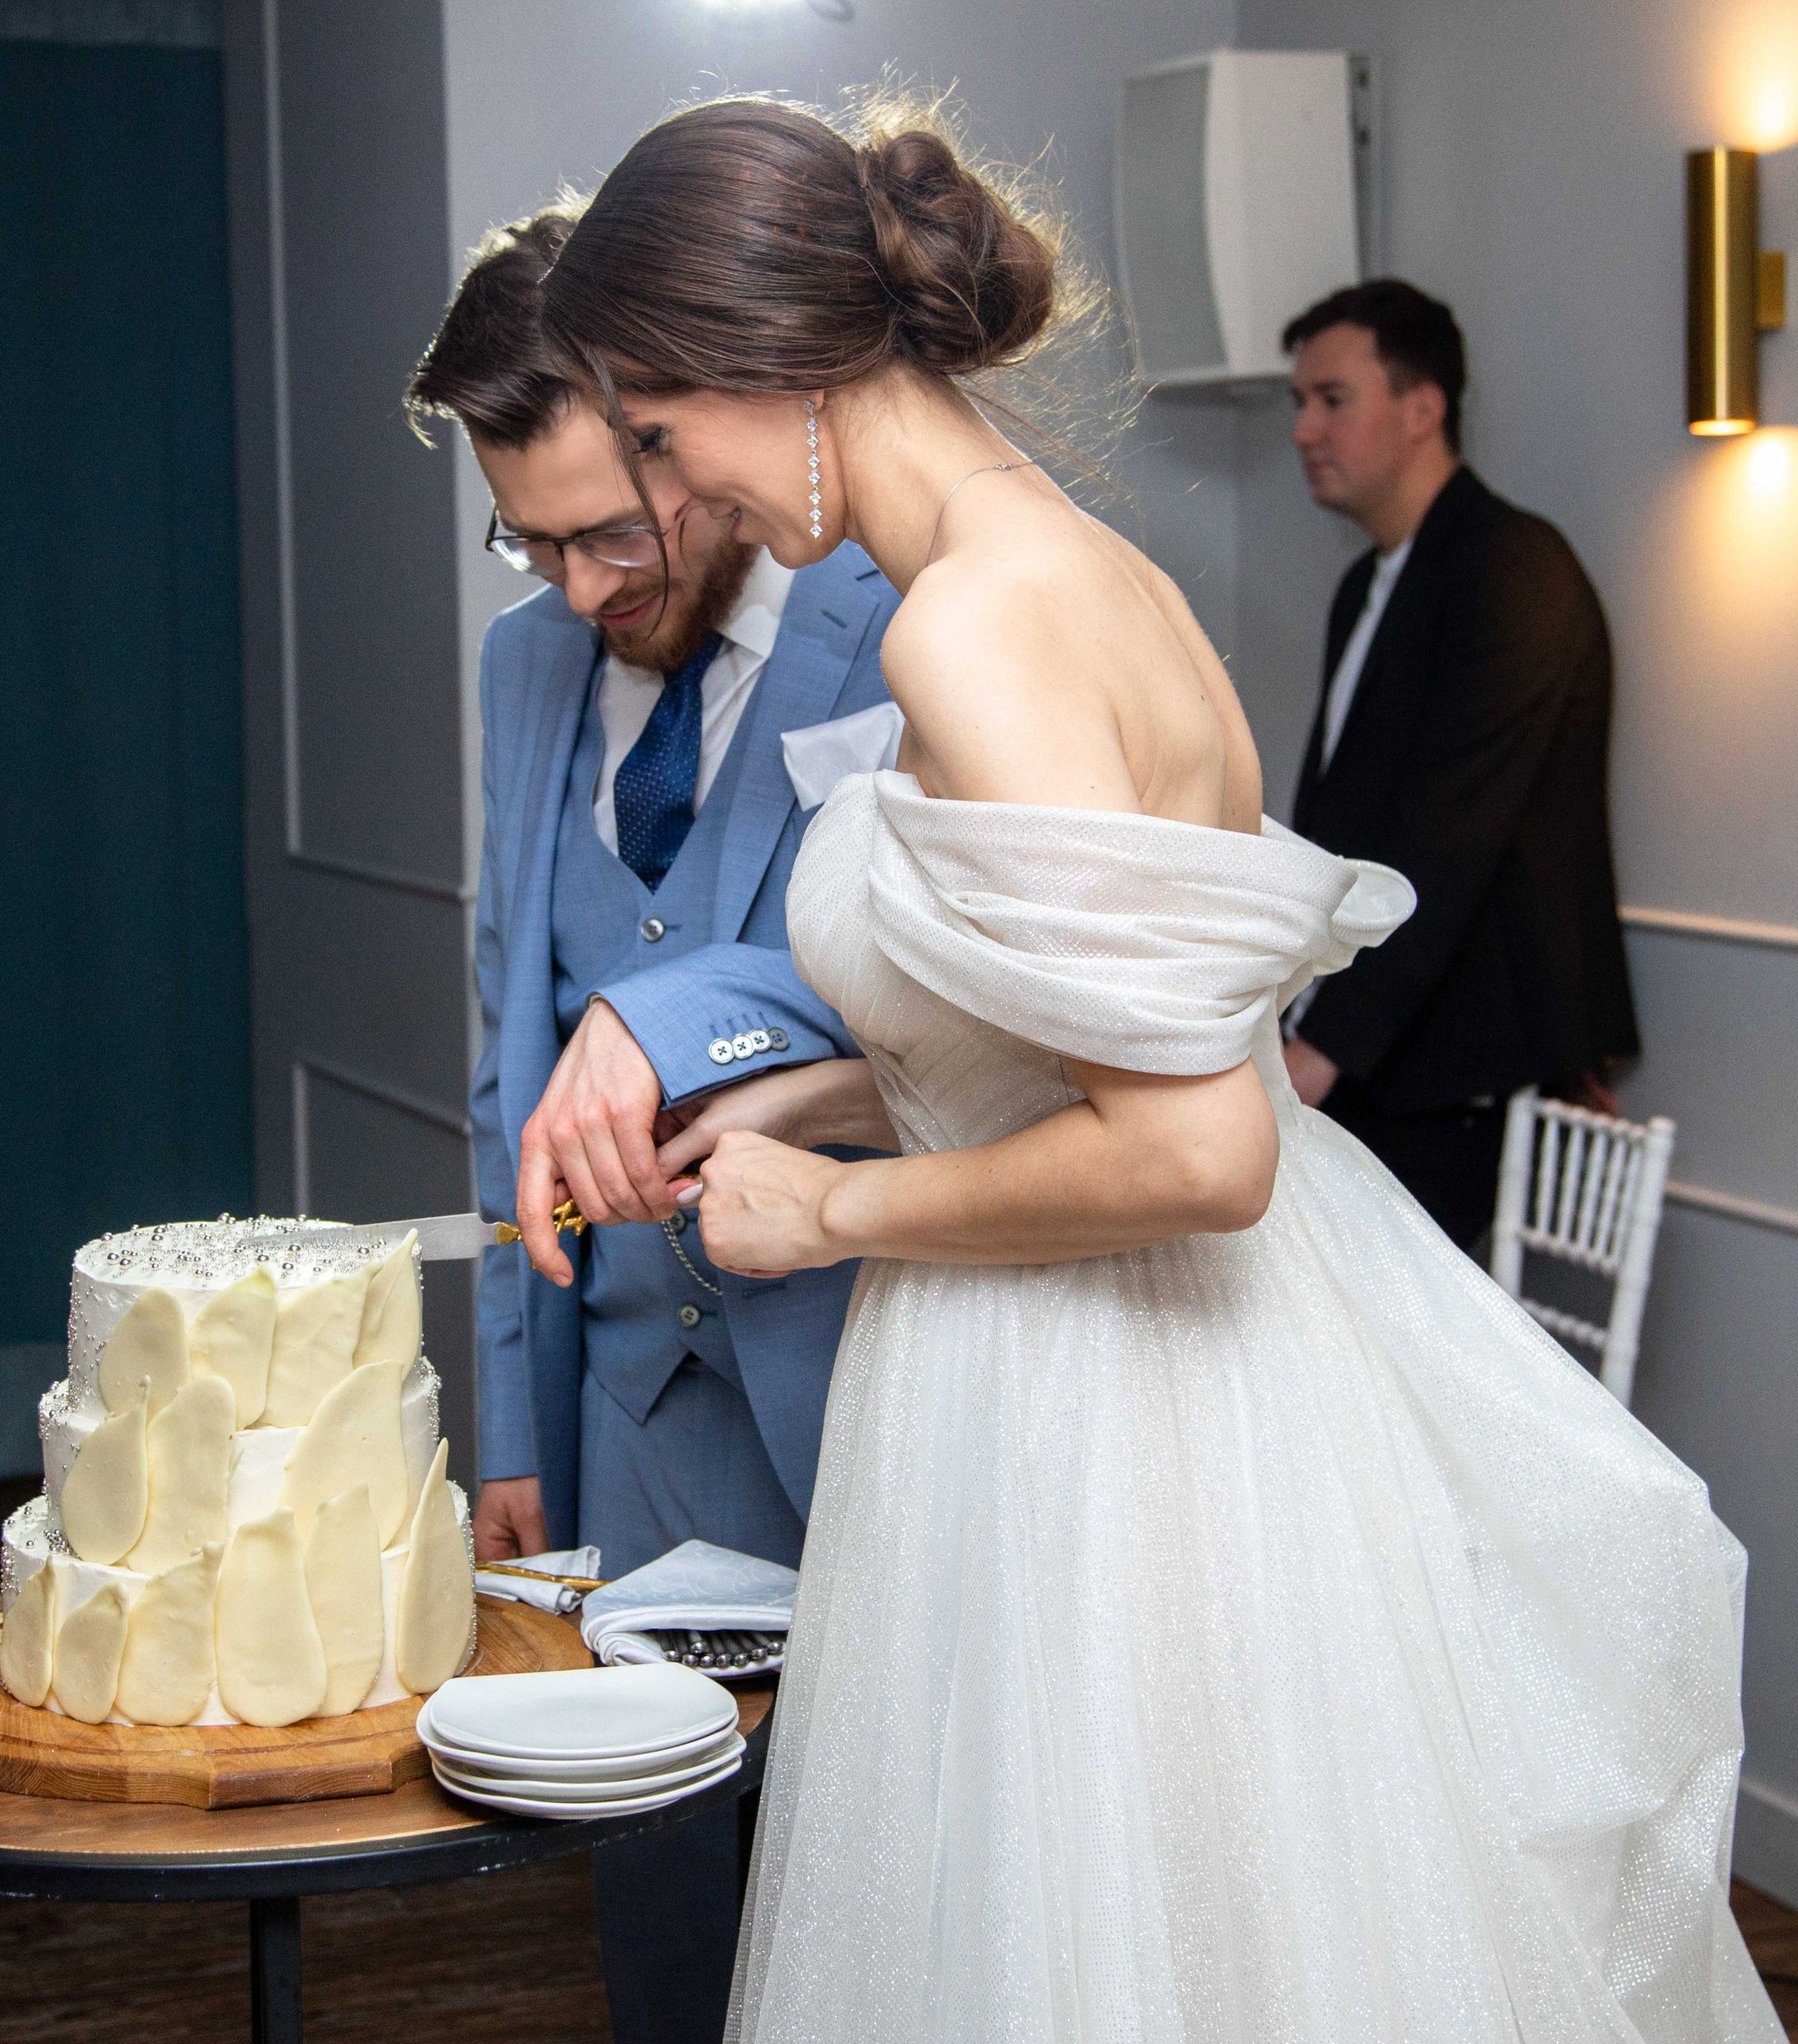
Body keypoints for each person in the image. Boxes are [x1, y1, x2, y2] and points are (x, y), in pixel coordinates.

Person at [537, 97, 1780, 2044]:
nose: (672, 492)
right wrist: (815, 1095)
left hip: (1091, 1401)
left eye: (658, 435)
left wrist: (833, 1206)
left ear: (758, 361)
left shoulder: (973, 625)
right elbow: (1098, 1044)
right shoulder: (1097, 577)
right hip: (1168, 1362)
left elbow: (1203, 1146)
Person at [406, 212, 900, 2044]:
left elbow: (935, 989)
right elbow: (504, 1038)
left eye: (609, 525)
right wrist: (516, 1413)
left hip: (854, 1367)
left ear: (688, 432)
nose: (574, 580)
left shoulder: (897, 621)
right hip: (621, 1404)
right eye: (524, 537)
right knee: (664, 1914)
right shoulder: (525, 664)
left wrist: (668, 1010)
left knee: (875, 1881)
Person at [1279, 279, 1639, 1247]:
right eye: (1298, 403)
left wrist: (1318, 1052)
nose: (1305, 428)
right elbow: (1343, 825)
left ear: (1422, 407)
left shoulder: (1514, 566)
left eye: (1332, 399)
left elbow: (1453, 836)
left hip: (1451, 1068)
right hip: (1374, 1052)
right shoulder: (1367, 585)